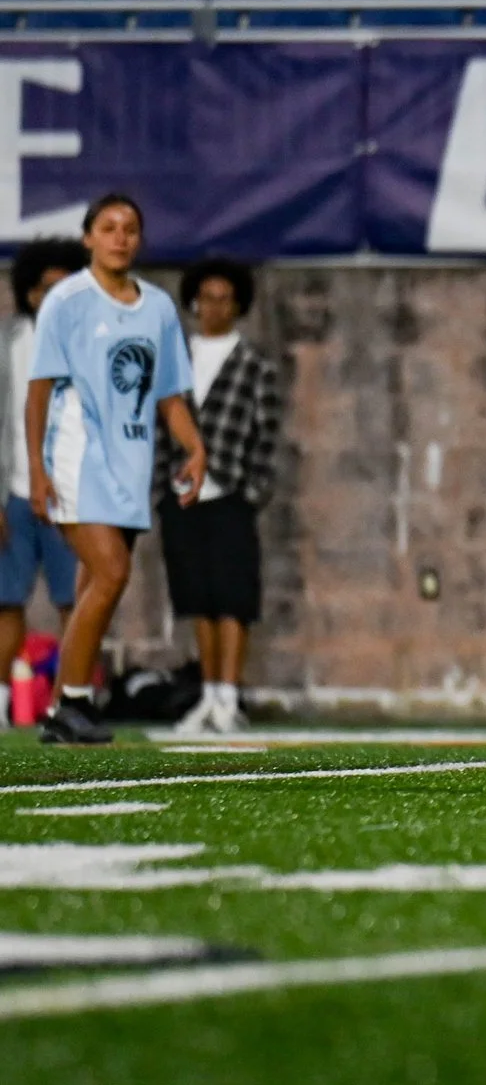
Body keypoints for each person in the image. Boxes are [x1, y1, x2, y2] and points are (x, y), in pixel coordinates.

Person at [24, 194, 207, 746]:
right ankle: (74, 701)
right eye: (108, 227)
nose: (120, 237)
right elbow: (39, 393)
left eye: (130, 228)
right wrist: (37, 469)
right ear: (89, 238)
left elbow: (170, 394)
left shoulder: (155, 308)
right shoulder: (68, 300)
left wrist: (195, 450)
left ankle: (63, 704)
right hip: (78, 460)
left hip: (131, 469)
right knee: (111, 574)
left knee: (92, 585)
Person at [157, 258, 285, 736]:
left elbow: (267, 437)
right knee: (197, 598)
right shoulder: (176, 360)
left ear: (238, 305)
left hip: (230, 493)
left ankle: (229, 697)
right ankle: (207, 695)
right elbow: (158, 426)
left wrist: (252, 492)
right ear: (193, 301)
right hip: (182, 496)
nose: (214, 307)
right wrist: (160, 489)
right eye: (206, 297)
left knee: (234, 598)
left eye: (224, 298)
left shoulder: (254, 365)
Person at [1, 238, 88, 705]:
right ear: (30, 293)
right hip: (13, 494)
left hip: (69, 495)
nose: (53, 298)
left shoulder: (87, 345)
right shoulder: (8, 341)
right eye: (45, 288)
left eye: (65, 288)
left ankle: (68, 700)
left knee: (74, 600)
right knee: (6, 601)